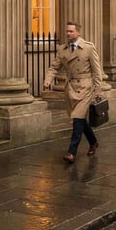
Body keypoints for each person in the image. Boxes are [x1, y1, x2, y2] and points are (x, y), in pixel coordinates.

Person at [43, 21, 104, 163]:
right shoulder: (62, 49)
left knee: (77, 119)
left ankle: (72, 152)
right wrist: (48, 79)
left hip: (85, 87)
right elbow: (54, 67)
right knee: (80, 120)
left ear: (78, 33)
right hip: (70, 88)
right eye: (67, 31)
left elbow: (97, 71)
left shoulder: (88, 48)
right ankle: (93, 142)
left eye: (71, 31)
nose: (68, 33)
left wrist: (98, 90)